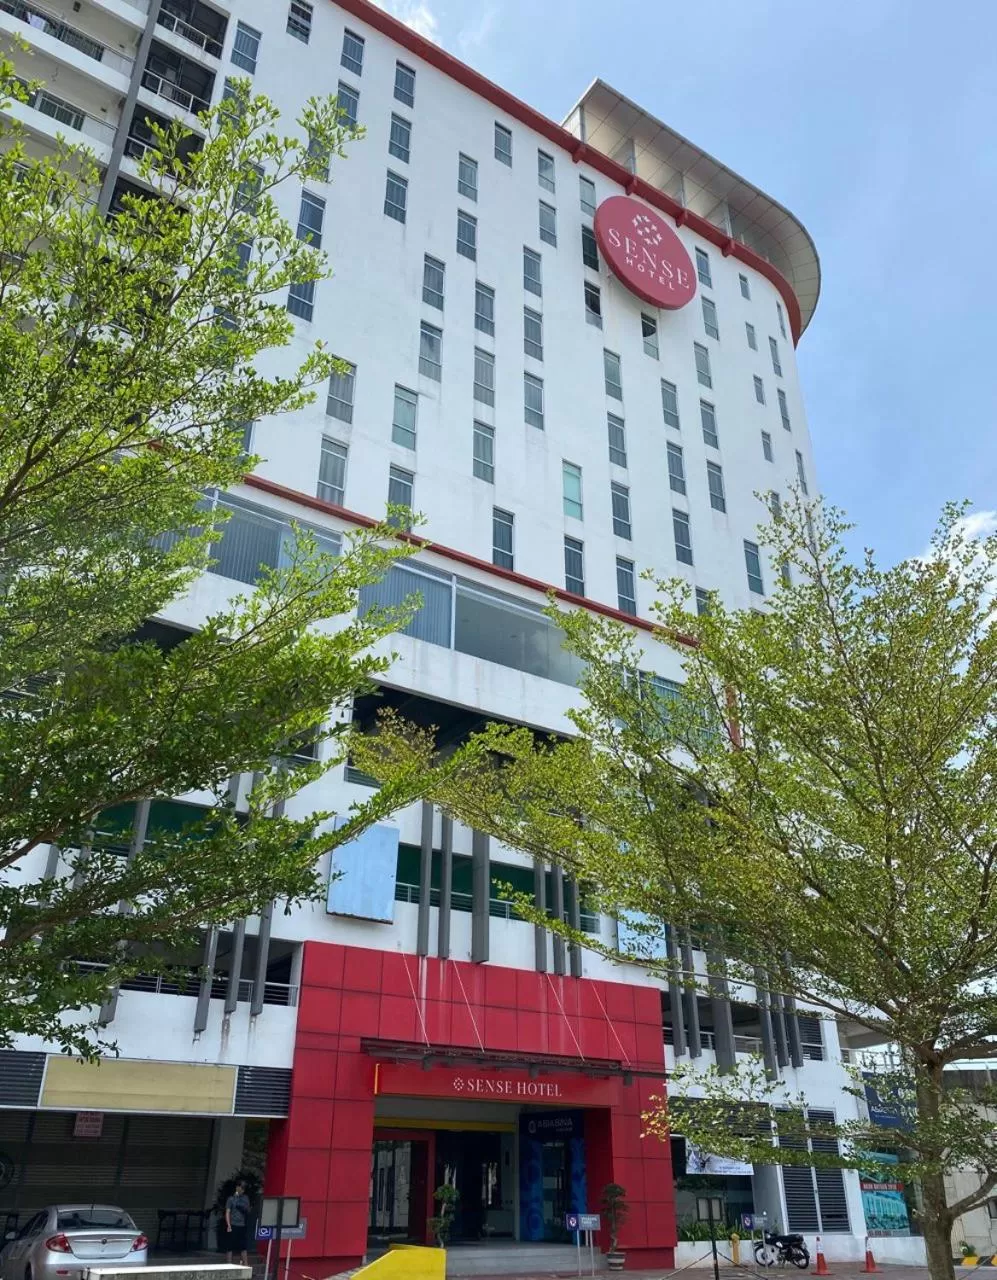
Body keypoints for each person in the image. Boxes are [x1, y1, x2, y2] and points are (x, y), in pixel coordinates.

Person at [226, 1180, 251, 1267]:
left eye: (243, 1188)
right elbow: (228, 1212)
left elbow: (247, 1209)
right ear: (237, 1188)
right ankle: (228, 1264)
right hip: (233, 1224)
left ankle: (246, 1264)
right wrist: (228, 1224)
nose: (241, 1190)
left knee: (243, 1246)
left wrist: (238, 1201)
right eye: (240, 1188)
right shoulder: (231, 1199)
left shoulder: (245, 1198)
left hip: (242, 1225)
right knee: (230, 1246)